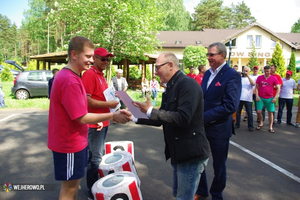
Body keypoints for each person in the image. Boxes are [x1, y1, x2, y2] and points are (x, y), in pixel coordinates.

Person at [47, 36, 132, 200]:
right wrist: (113, 114)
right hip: (69, 143)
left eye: (93, 56)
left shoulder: (73, 76)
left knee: (74, 185)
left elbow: (79, 110)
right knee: (70, 188)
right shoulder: (70, 79)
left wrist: (100, 118)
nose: (91, 60)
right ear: (73, 54)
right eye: (88, 56)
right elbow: (82, 117)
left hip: (75, 141)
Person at [133, 52, 210, 200]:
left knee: (183, 197)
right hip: (179, 152)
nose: (155, 72)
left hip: (190, 153)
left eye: (157, 68)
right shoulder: (171, 87)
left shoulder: (188, 84)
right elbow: (163, 116)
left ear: (170, 66)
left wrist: (150, 110)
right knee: (178, 194)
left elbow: (183, 118)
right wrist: (134, 117)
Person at [195, 42, 241, 200]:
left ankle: (217, 194)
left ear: (223, 56)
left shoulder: (232, 75)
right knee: (198, 159)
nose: (208, 57)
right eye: (208, 54)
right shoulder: (208, 73)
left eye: (212, 54)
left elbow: (230, 105)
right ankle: (201, 190)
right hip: (202, 126)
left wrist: (204, 117)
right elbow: (204, 98)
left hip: (219, 129)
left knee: (219, 166)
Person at [81, 47, 119, 200]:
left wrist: (112, 106)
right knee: (95, 158)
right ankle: (92, 190)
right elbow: (87, 100)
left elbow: (102, 98)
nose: (106, 62)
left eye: (107, 59)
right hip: (94, 123)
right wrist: (109, 104)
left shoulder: (101, 76)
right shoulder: (90, 74)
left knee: (98, 156)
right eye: (103, 59)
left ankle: (96, 187)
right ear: (94, 59)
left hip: (102, 121)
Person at [255, 65, 280, 133]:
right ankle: (261, 122)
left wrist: (275, 97)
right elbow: (256, 87)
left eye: (268, 71)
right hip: (261, 97)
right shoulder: (260, 78)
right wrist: (257, 96)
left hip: (270, 97)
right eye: (265, 71)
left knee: (270, 112)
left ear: (270, 71)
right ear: (264, 71)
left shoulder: (273, 78)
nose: (267, 73)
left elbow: (278, 88)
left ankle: (270, 127)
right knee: (259, 111)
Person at [235, 66, 256, 131]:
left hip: (248, 98)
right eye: (244, 71)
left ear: (249, 72)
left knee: (249, 113)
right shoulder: (240, 78)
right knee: (238, 112)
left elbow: (253, 83)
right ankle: (237, 124)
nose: (245, 72)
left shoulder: (251, 78)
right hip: (240, 98)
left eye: (247, 71)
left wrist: (248, 76)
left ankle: (250, 126)